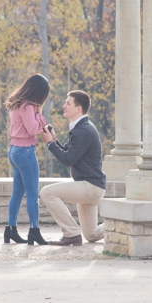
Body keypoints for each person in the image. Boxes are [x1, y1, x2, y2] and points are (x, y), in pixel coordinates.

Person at [39, 90, 107, 246]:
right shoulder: (80, 127)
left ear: (78, 108)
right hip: (91, 186)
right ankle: (121, 222)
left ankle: (71, 233)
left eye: (68, 103)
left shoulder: (83, 130)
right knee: (92, 235)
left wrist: (50, 144)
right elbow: (71, 154)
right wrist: (54, 141)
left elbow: (68, 159)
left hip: (90, 187)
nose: (64, 106)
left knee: (47, 192)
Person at [2, 74, 50, 245]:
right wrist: (40, 115)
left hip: (14, 150)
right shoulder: (28, 106)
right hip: (25, 152)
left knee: (17, 193)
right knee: (32, 194)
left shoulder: (15, 103)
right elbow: (33, 129)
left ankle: (11, 230)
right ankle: (34, 231)